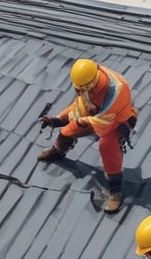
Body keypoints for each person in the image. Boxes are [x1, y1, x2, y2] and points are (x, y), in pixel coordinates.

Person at [38, 58, 138, 213]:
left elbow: (103, 120)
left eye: (83, 89)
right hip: (94, 116)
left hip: (116, 120)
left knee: (108, 147)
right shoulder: (88, 86)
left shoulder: (116, 90)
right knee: (66, 132)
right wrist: (56, 121)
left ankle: (115, 192)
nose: (80, 92)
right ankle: (57, 151)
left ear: (91, 83)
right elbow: (79, 106)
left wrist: (84, 121)